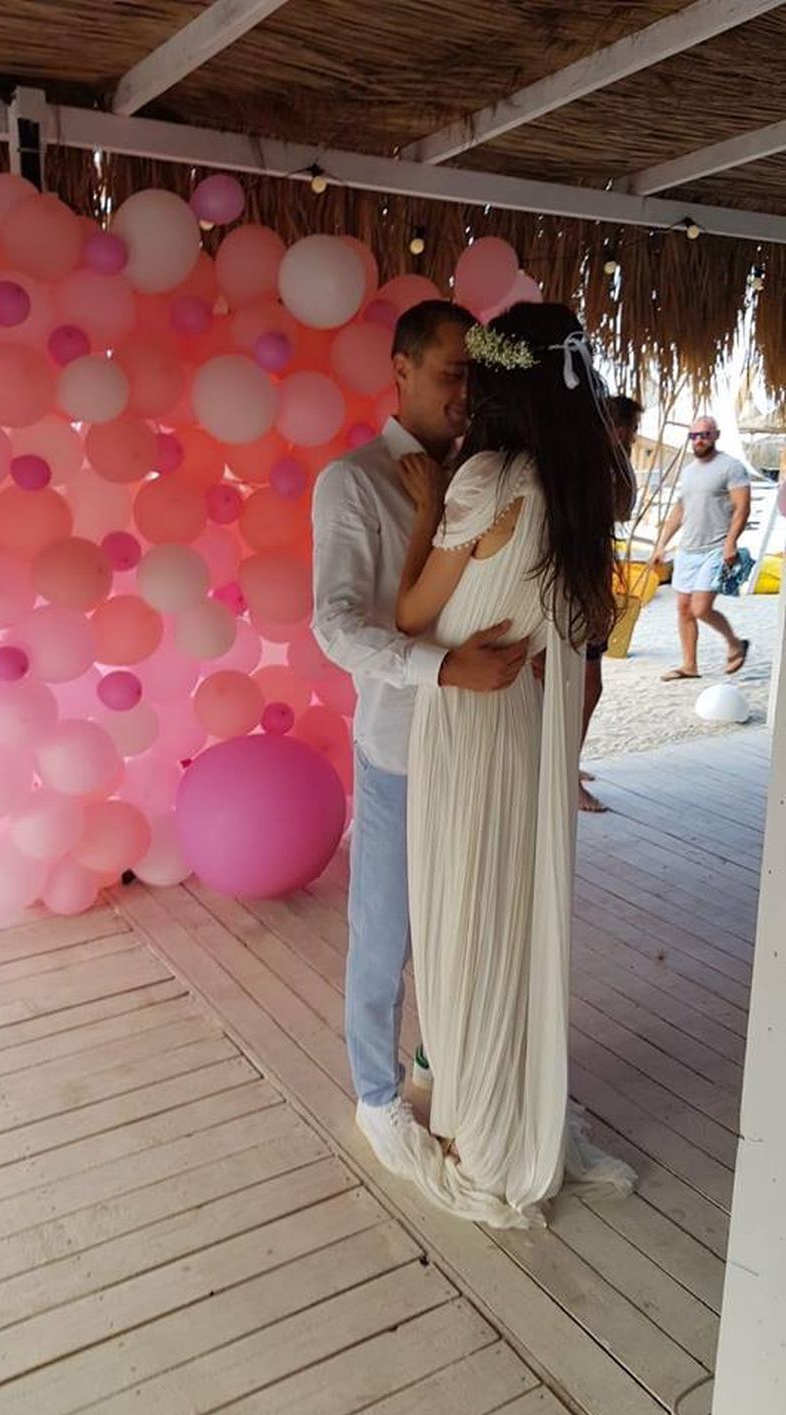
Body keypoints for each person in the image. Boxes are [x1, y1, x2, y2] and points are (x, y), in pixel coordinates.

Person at [394, 303, 636, 1226]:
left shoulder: (486, 480)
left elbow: (412, 614)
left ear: (503, 381)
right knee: (501, 914)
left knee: (459, 920)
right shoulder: (581, 490)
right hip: (520, 722)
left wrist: (426, 510)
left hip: (464, 719)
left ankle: (477, 1128)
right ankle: (495, 1101)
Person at [311, 300, 530, 1178]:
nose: (464, 392)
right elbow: (335, 626)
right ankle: (375, 1094)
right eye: (450, 373)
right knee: (386, 930)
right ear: (400, 370)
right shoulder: (355, 481)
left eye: (475, 375)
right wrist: (442, 669)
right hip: (403, 743)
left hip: (480, 744)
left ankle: (444, 1070)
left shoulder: (488, 471)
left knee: (463, 917)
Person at [579, 393, 642, 812]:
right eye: (631, 430)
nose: (634, 437)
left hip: (590, 583)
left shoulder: (593, 462)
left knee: (586, 684)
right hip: (582, 586)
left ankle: (567, 762)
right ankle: (565, 771)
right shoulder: (594, 466)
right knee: (586, 685)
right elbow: (623, 506)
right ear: (618, 428)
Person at [652, 415, 751, 681]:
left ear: (716, 435)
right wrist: (661, 544)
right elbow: (680, 509)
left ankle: (735, 643)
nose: (699, 440)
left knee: (700, 608)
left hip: (716, 548)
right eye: (694, 436)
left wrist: (731, 542)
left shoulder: (731, 467)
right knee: (684, 608)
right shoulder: (688, 471)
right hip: (687, 550)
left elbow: (742, 508)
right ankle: (689, 666)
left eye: (705, 434)